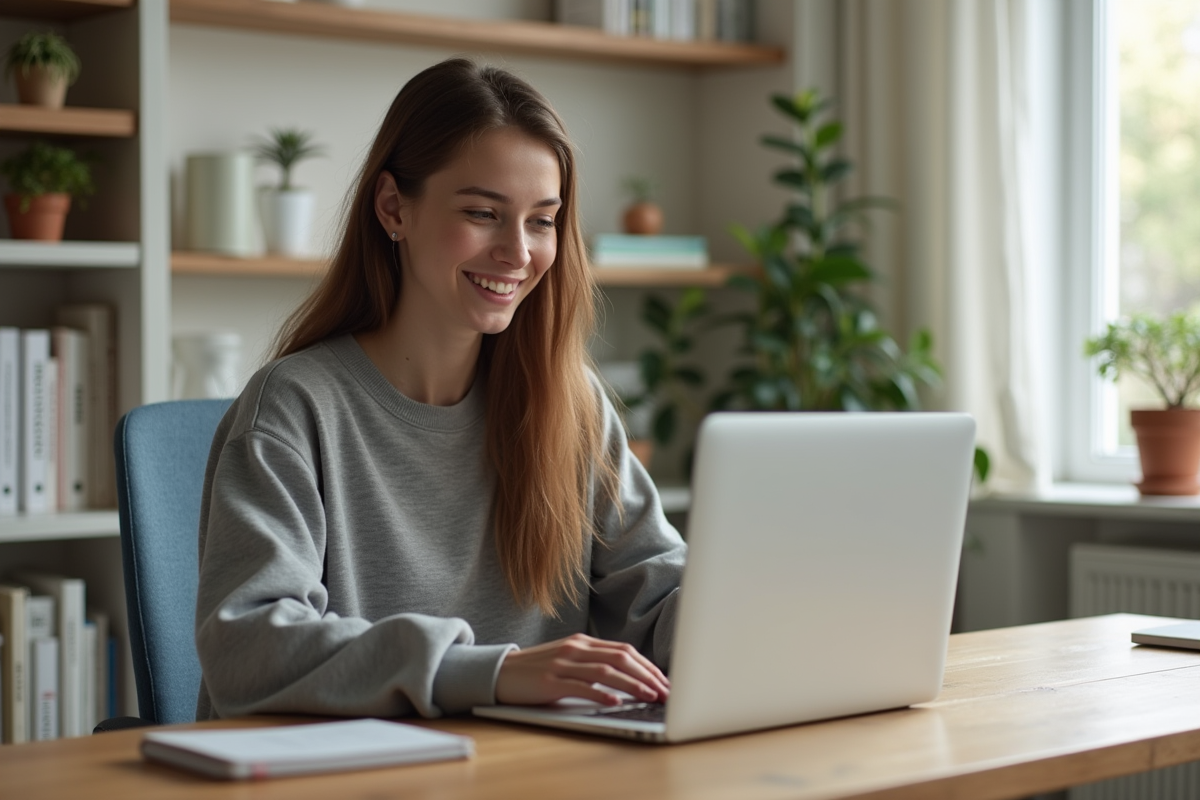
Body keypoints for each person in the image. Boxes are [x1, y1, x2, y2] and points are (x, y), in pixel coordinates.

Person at [194, 58, 687, 721]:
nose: (518, 252)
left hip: (537, 774)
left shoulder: (570, 405)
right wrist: (492, 672)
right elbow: (248, 645)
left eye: (542, 220)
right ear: (394, 208)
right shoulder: (293, 407)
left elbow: (658, 593)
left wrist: (766, 622)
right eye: (483, 212)